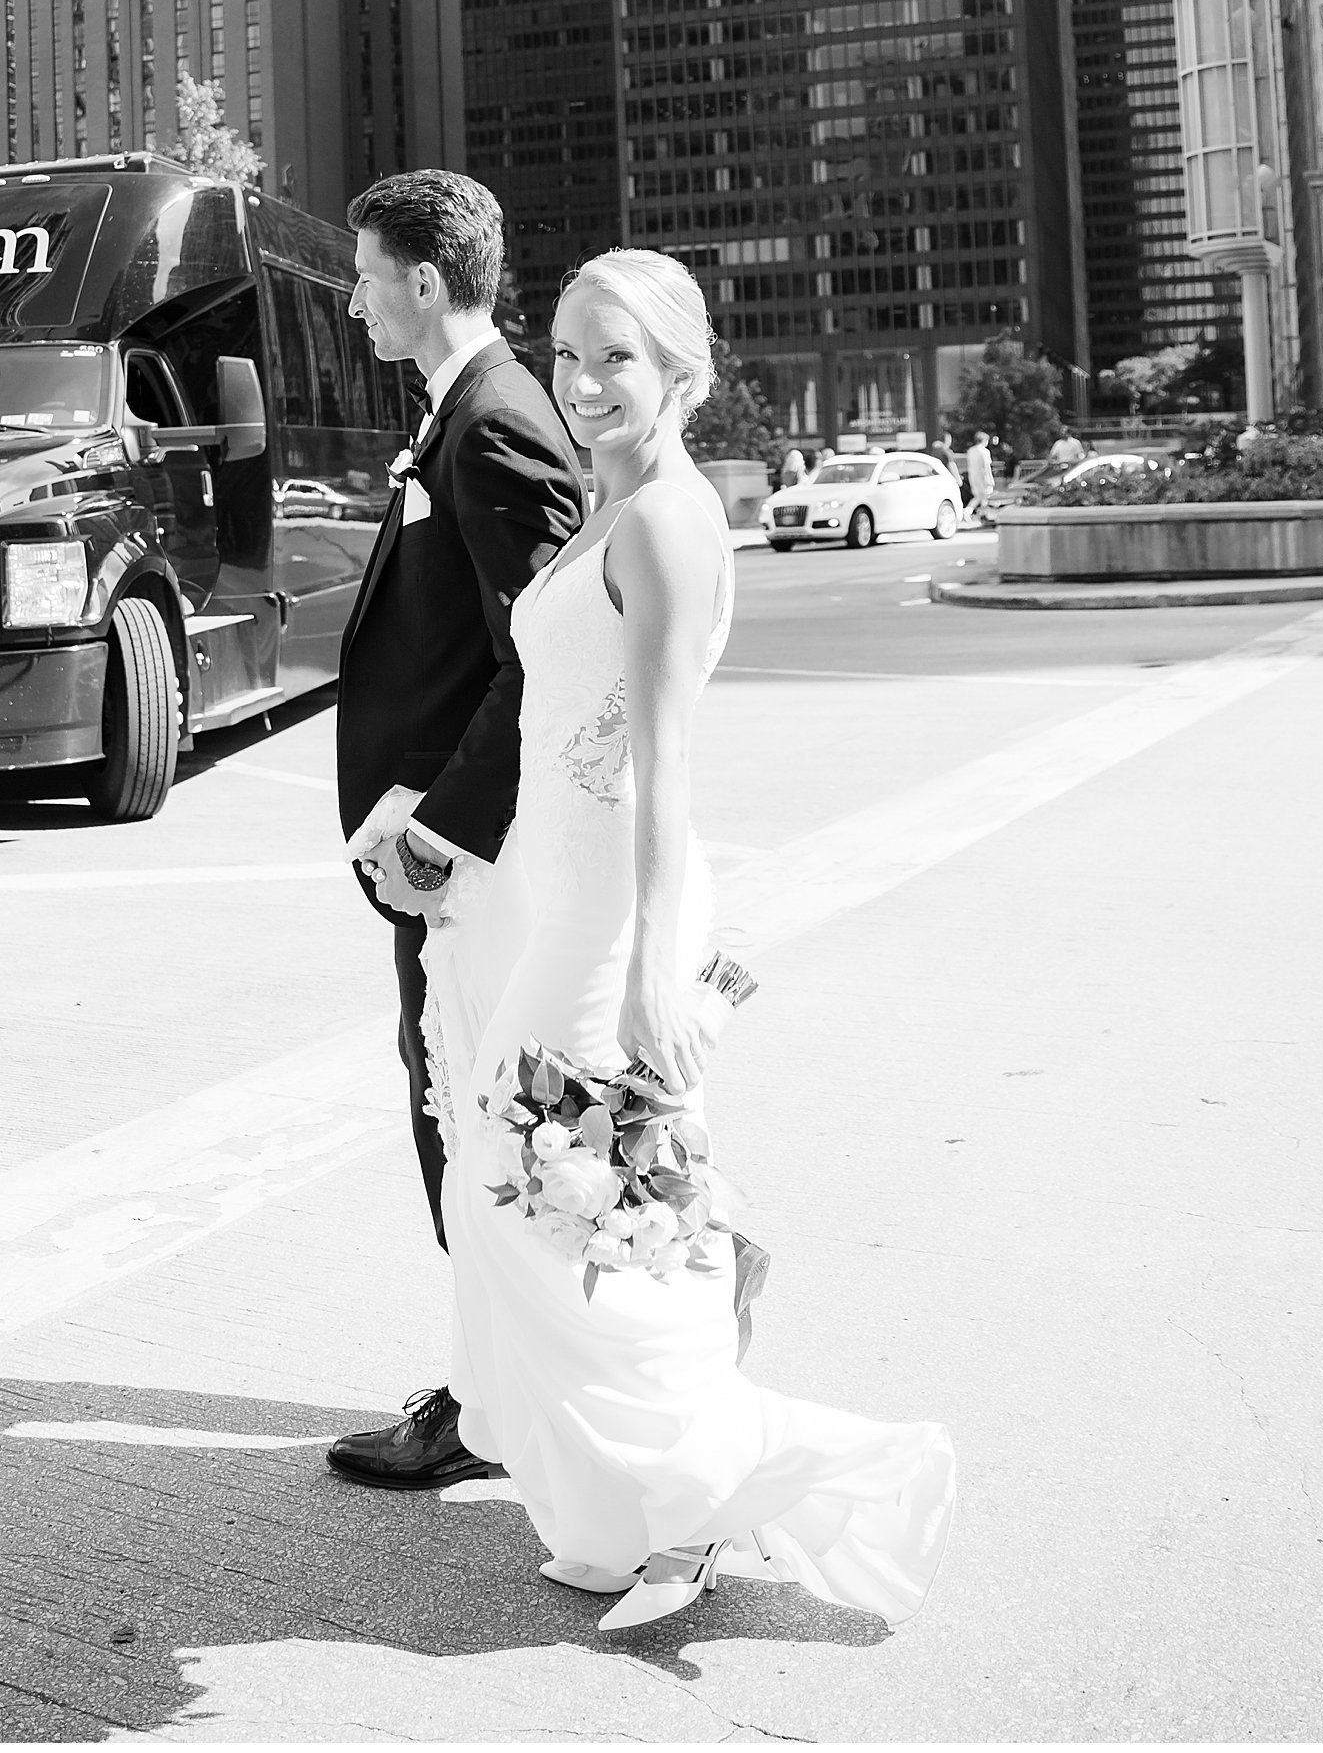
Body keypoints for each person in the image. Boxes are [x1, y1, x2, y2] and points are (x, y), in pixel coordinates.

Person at [426, 249, 956, 1634]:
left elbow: (665, 764)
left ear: (682, 374)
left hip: (616, 923)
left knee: (551, 1199)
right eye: (569, 352)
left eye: (618, 357)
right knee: (554, 1206)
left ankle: (713, 1493)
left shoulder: (667, 520)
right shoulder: (614, 510)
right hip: (569, 898)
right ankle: (626, 1511)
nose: (586, 381)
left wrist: (660, 963)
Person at [331, 169, 588, 1492]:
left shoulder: (492, 426)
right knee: (459, 1104)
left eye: (368, 276)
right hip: (433, 852)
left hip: (464, 862)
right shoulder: (458, 415)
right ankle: (496, 1377)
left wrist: (442, 829)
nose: (356, 299)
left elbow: (545, 657)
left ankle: (499, 1398)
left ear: (424, 283)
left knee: (477, 1113)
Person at [964, 430, 994, 523]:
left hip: (973, 476)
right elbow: (986, 466)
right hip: (983, 477)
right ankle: (982, 514)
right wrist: (990, 479)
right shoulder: (984, 451)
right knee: (986, 495)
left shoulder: (970, 451)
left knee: (977, 496)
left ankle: (969, 510)